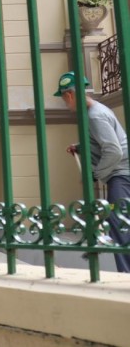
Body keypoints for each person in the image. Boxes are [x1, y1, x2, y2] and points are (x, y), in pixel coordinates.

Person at [55, 71, 130, 272]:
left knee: (118, 223)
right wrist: (80, 146)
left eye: (64, 99)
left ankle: (126, 275)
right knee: (116, 219)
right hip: (120, 174)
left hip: (122, 175)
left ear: (69, 95)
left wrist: (95, 174)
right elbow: (102, 141)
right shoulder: (96, 111)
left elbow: (114, 151)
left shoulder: (95, 116)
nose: (65, 103)